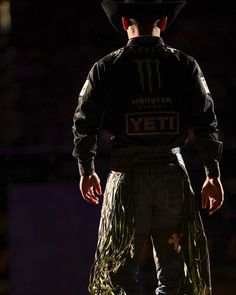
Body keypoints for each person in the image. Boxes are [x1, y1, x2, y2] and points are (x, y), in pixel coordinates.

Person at [72, 0, 224, 294]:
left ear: (124, 21)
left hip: (127, 179)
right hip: (172, 176)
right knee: (176, 277)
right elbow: (207, 122)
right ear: (164, 23)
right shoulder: (184, 64)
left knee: (118, 276)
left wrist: (86, 169)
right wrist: (212, 173)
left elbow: (84, 122)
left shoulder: (106, 66)